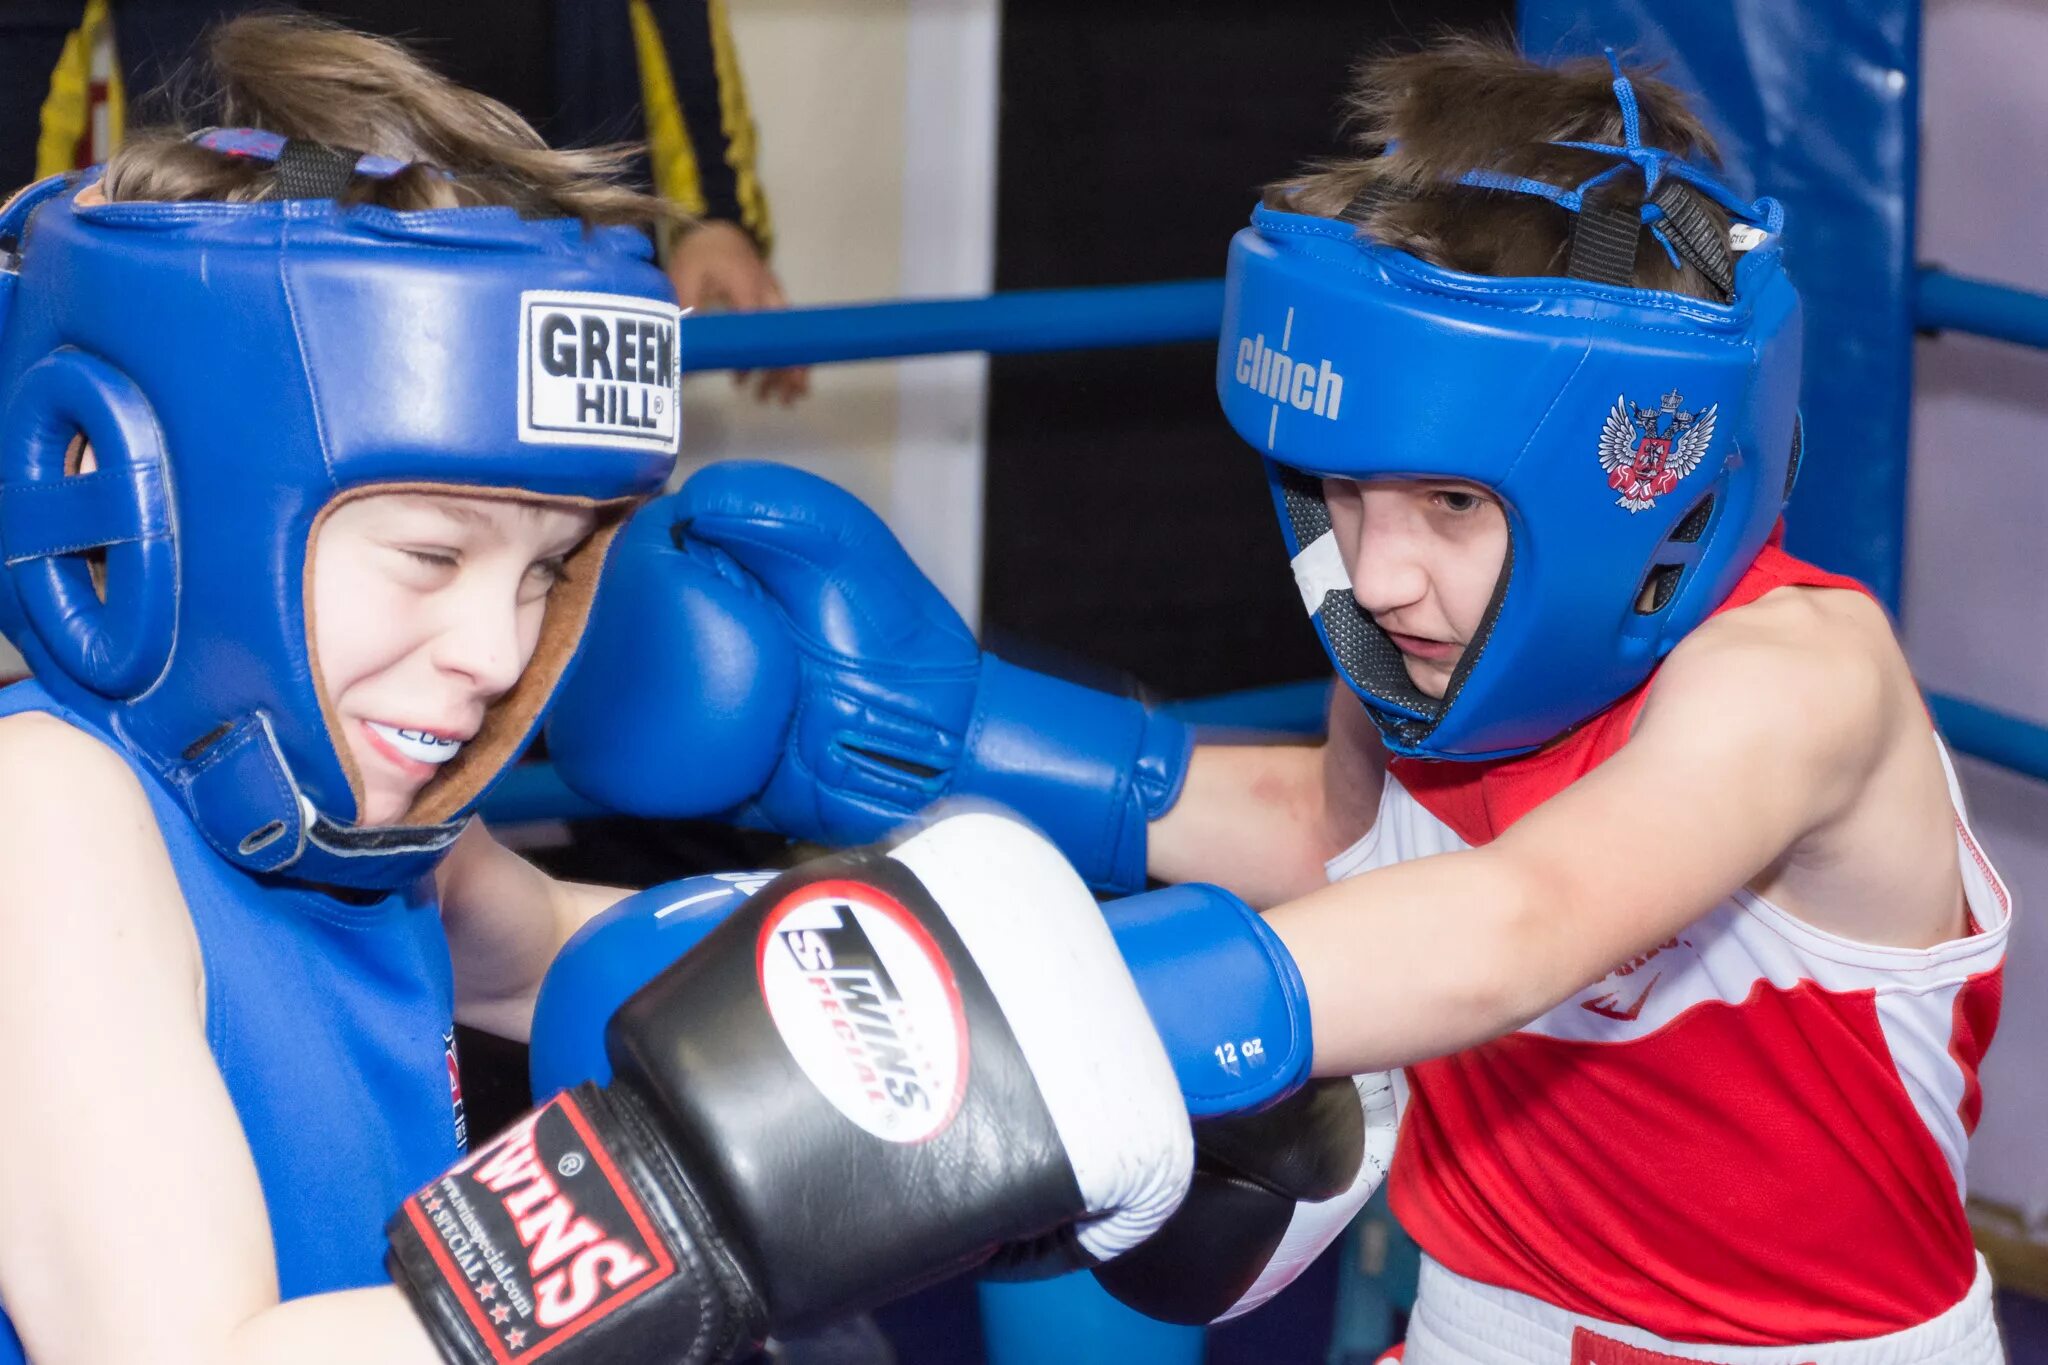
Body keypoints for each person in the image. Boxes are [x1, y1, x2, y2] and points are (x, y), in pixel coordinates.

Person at [557, 39, 2011, 1361]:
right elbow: (1350, 845)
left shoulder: (1796, 680)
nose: (1376, 574)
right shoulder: (1422, 652)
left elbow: (1521, 918)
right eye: (1344, 494)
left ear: (1647, 472)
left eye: (1450, 499)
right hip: (1474, 1326)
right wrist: (959, 740)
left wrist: (1022, 1029)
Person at [0, 17, 1339, 1365]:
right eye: (430, 552)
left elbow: (558, 946)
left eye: (545, 570)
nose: (497, 646)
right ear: (165, 504)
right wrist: (684, 1209)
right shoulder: (48, 810)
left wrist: (1004, 1004)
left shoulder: (331, 816)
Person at [0, 0, 808, 405]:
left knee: (550, 564)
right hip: (245, 231)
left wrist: (714, 213)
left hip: (527, 215)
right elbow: (32, 26)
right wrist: (17, 242)